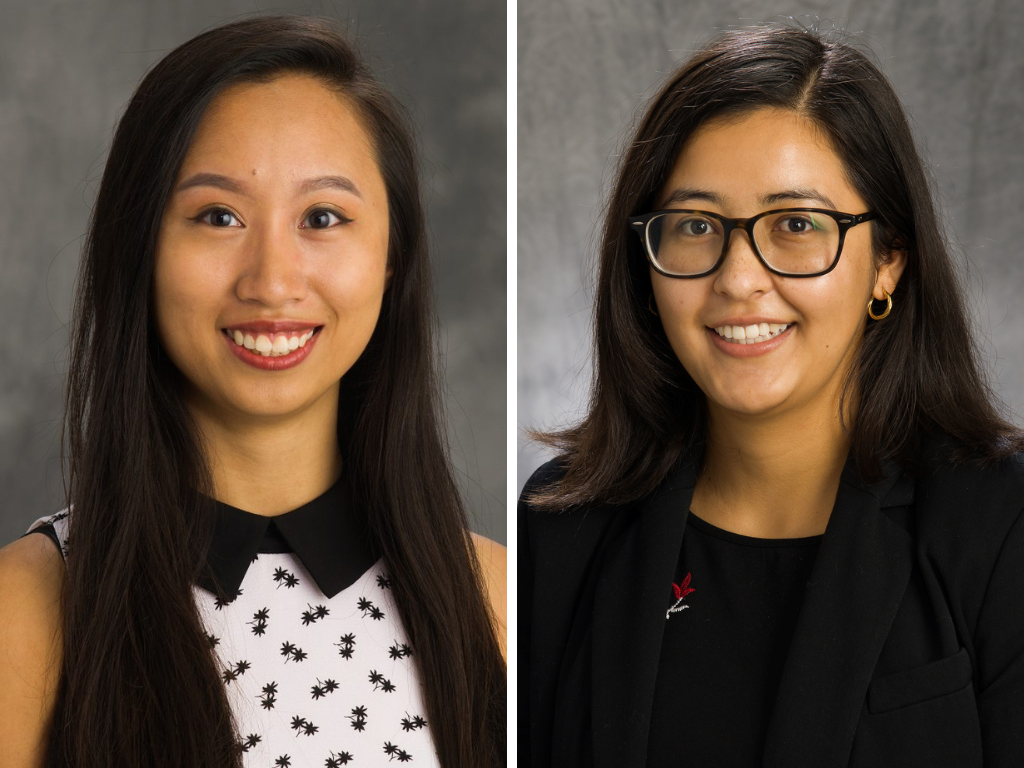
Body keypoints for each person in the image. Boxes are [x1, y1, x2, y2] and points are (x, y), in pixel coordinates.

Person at [0, 15, 506, 768]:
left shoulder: (503, 603)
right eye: (217, 216)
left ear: (392, 259)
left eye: (324, 218)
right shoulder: (25, 611)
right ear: (140, 249)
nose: (272, 281)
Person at [520, 24, 1024, 768]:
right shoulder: (562, 526)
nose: (738, 279)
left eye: (795, 225)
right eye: (696, 226)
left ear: (888, 261)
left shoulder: (1000, 521)